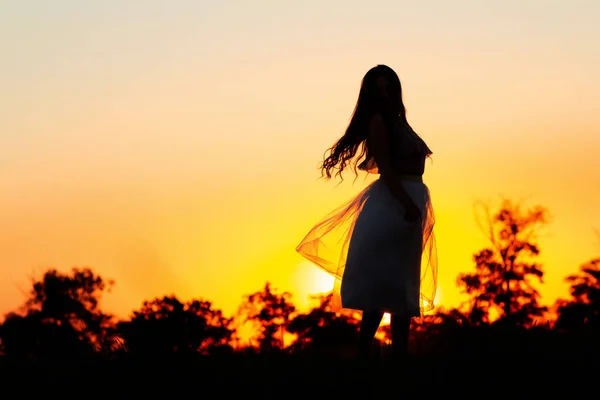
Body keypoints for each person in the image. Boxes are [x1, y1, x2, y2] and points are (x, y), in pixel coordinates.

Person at [296, 64, 438, 361]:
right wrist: (407, 205)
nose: (385, 94)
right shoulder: (378, 121)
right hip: (395, 204)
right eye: (378, 90)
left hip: (408, 199)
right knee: (386, 283)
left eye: (389, 88)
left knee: (402, 284)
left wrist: (413, 203)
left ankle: (395, 355)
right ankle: (365, 355)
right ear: (371, 96)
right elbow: (386, 170)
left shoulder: (399, 121)